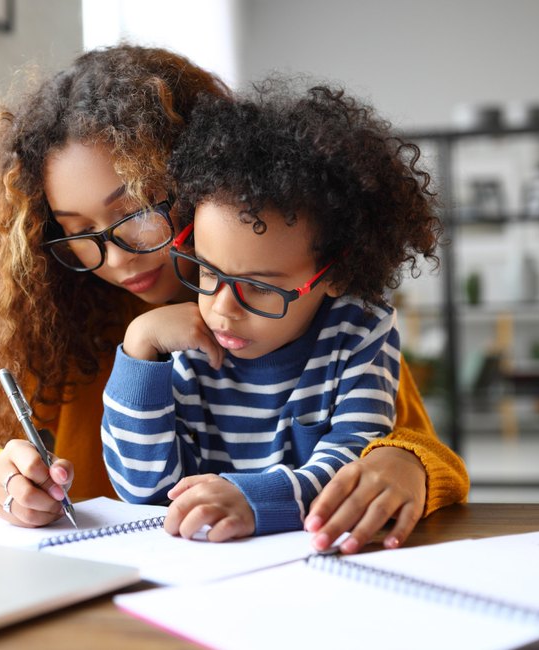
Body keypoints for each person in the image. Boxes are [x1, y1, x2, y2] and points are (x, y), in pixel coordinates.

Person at [0, 45, 468, 554]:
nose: (116, 258)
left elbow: (406, 441)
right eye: (79, 232)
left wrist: (407, 463)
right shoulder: (52, 320)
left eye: (135, 212)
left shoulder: (305, 311)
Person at [102, 81, 436, 541]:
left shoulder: (360, 331)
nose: (222, 309)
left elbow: (353, 461)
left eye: (258, 288)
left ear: (333, 275)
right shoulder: (183, 340)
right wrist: (139, 348)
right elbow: (143, 489)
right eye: (207, 272)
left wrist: (255, 498)